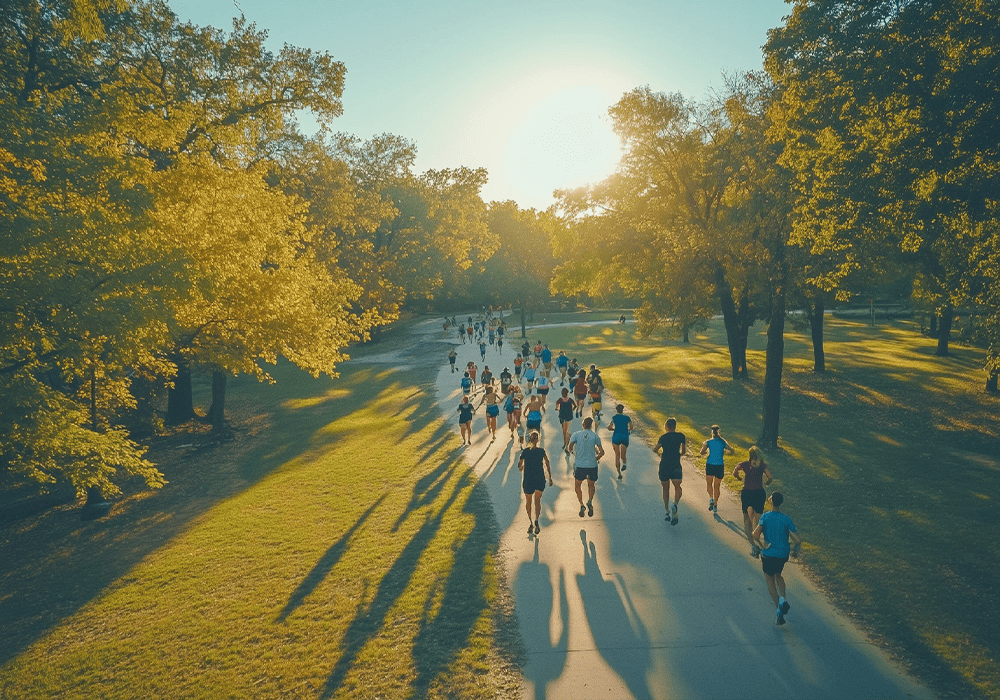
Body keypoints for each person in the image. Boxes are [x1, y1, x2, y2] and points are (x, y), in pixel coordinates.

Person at [753, 492, 802, 625]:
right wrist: (796, 551)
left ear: (771, 501)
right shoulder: (786, 519)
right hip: (782, 555)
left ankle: (779, 607)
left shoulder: (765, 517)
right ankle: (783, 599)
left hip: (769, 554)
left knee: (770, 580)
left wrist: (763, 546)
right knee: (778, 575)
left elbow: (755, 534)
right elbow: (797, 539)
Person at [733, 446, 773, 557]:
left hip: (747, 493)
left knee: (746, 518)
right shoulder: (762, 465)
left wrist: (738, 478)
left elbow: (735, 471)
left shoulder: (745, 464)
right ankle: (766, 541)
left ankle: (753, 545)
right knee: (760, 517)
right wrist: (768, 483)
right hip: (759, 493)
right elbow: (770, 477)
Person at [518, 431, 553, 535]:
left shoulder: (525, 452)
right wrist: (550, 477)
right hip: (539, 478)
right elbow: (547, 463)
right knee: (537, 501)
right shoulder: (541, 451)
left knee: (528, 502)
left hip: (528, 479)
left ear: (529, 440)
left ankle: (531, 522)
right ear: (537, 440)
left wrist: (523, 467)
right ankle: (536, 519)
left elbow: (519, 465)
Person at [569, 417, 605, 517]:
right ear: (591, 425)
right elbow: (602, 452)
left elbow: (570, 447)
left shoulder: (576, 434)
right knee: (591, 485)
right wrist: (596, 458)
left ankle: (581, 504)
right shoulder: (595, 436)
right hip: (592, 465)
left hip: (580, 465)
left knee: (577, 486)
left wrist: (574, 453)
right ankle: (590, 501)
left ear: (583, 424)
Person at [654, 418, 686, 525]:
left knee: (665, 489)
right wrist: (679, 454)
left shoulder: (663, 437)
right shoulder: (681, 436)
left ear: (666, 426)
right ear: (675, 426)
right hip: (676, 465)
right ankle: (675, 504)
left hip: (665, 465)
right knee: (678, 487)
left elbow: (655, 449)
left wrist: (660, 454)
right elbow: (684, 451)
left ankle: (667, 511)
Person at [700, 424, 735, 513]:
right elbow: (732, 450)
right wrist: (726, 453)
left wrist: (705, 452)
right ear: (718, 432)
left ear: (712, 432)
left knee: (709, 484)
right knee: (717, 486)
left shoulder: (708, 442)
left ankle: (711, 498)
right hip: (719, 465)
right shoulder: (723, 442)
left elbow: (702, 452)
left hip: (710, 464)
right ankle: (715, 504)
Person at [606, 404, 632, 480]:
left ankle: (619, 473)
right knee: (623, 454)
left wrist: (614, 429)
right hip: (624, 436)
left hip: (616, 436)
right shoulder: (627, 418)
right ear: (622, 410)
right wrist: (628, 430)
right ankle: (624, 463)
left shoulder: (614, 418)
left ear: (616, 410)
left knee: (617, 455)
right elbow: (631, 427)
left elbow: (609, 427)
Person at [556, 387, 575, 453]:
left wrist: (557, 408)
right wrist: (571, 410)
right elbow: (574, 406)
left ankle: (565, 444)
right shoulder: (570, 400)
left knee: (564, 431)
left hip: (562, 416)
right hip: (568, 417)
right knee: (567, 431)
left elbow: (557, 405)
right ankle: (566, 444)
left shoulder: (560, 400)